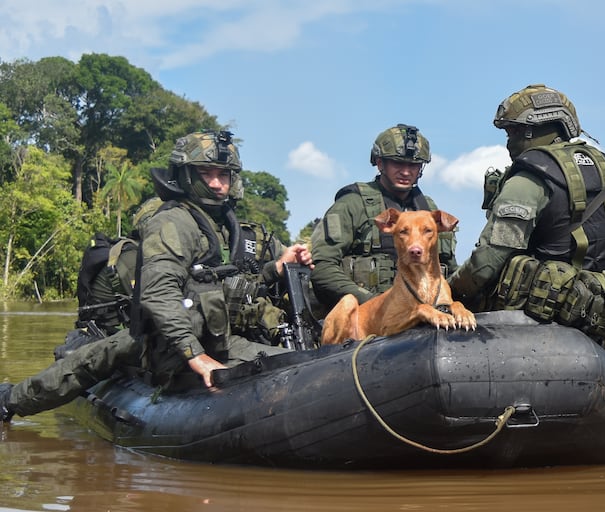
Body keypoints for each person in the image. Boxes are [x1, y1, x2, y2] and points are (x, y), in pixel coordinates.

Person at [0, 130, 313, 422]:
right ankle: (12, 399)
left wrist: (277, 268)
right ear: (185, 175)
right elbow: (159, 292)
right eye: (207, 174)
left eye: (223, 175)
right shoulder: (173, 223)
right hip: (168, 343)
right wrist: (196, 356)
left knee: (300, 361)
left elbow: (225, 288)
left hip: (221, 337)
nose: (217, 184)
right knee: (94, 359)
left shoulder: (224, 227)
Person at [448, 84, 605, 366]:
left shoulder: (528, 180)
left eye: (513, 132)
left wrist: (450, 291)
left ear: (535, 131)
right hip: (603, 322)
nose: (508, 141)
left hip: (540, 323)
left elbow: (490, 259)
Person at [310, 124, 458, 313]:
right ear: (380, 164)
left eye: (413, 165)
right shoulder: (352, 204)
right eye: (397, 163)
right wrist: (375, 303)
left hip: (424, 316)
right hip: (367, 320)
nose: (406, 172)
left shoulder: (428, 209)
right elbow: (322, 268)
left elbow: (449, 268)